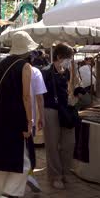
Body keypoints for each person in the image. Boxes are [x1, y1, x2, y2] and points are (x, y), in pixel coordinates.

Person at [0, 31, 37, 198]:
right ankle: (9, 195)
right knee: (23, 161)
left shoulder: (3, 63)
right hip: (15, 115)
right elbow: (26, 96)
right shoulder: (26, 66)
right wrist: (29, 120)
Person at [41, 43, 75, 190]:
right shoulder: (46, 72)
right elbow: (40, 95)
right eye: (69, 58)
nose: (70, 61)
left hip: (65, 110)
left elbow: (69, 89)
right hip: (50, 110)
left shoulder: (67, 71)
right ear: (59, 57)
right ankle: (55, 176)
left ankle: (65, 172)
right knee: (52, 145)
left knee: (69, 143)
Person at [26, 51, 47, 193]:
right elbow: (39, 97)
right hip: (29, 119)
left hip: (10, 119)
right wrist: (42, 117)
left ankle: (27, 173)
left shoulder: (7, 68)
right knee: (28, 147)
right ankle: (28, 173)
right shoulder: (35, 72)